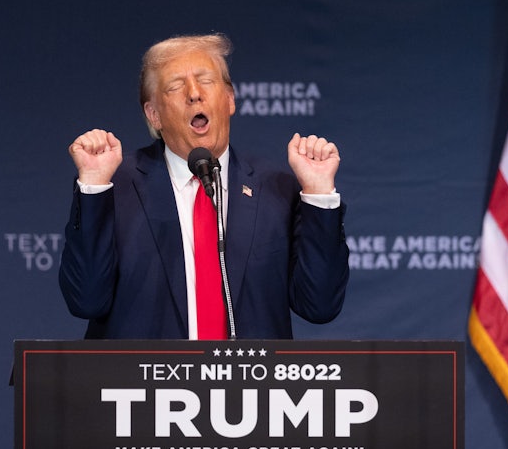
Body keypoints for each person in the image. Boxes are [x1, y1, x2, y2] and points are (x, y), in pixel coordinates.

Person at [59, 33, 349, 340]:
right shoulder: (117, 186)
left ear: (229, 99)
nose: (194, 94)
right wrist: (92, 187)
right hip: (143, 385)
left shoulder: (276, 189)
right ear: (154, 114)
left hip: (248, 386)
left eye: (206, 81)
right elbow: (86, 300)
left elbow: (320, 306)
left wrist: (318, 193)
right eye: (176, 86)